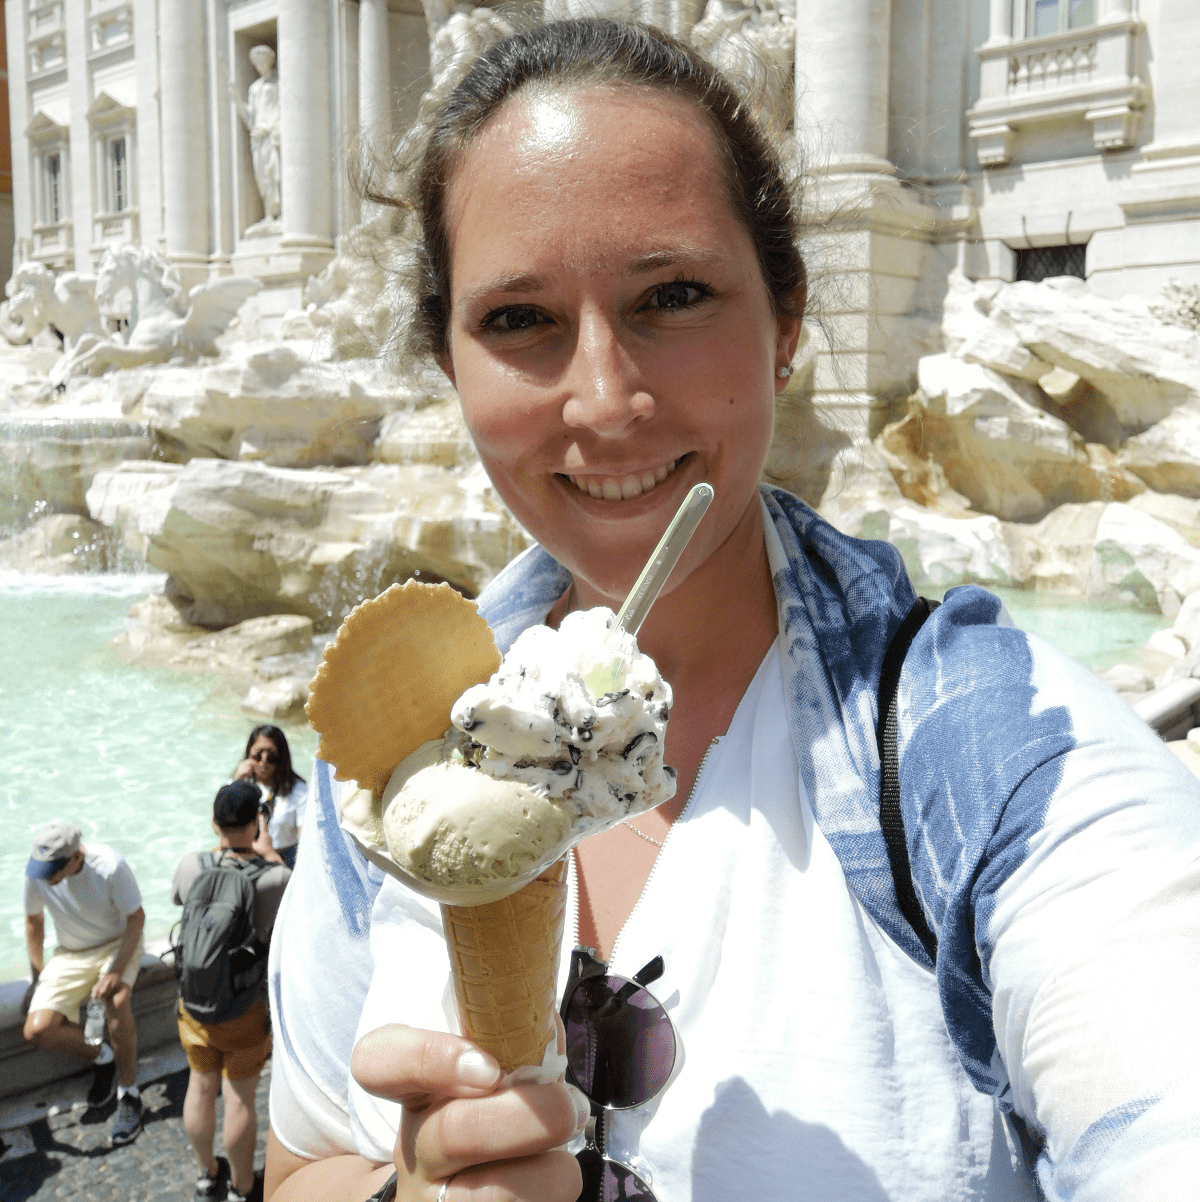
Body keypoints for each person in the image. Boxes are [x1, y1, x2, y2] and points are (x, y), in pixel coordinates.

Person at [263, 18, 1200, 1202]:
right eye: (518, 320)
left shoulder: (1006, 766)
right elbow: (300, 1159)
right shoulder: (384, 772)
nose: (604, 401)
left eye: (675, 294)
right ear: (451, 360)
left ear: (787, 322)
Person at [173, 780, 292, 1202]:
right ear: (258, 821)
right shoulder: (274, 878)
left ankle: (208, 1175)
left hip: (195, 1006)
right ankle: (243, 1187)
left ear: (214, 821)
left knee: (200, 1087)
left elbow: (179, 903)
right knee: (239, 1100)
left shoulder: (191, 866)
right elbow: (294, 913)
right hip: (243, 1009)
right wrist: (271, 852)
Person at [23, 819, 147, 1146]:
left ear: (76, 857)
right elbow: (33, 923)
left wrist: (115, 971)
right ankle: (102, 1056)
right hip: (70, 953)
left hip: (118, 943)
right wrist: (38, 979)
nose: (44, 877)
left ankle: (130, 1093)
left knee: (117, 1002)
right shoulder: (38, 873)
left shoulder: (110, 865)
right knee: (37, 1029)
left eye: (52, 868)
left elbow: (137, 919)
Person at [232, 725, 307, 869]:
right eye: (257, 755)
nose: (263, 761)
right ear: (249, 754)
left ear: (281, 757)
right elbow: (218, 826)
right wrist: (237, 784)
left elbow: (304, 837)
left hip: (284, 858)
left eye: (271, 756)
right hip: (245, 858)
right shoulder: (237, 784)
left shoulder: (299, 790)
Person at [232, 45, 282, 230]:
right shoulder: (254, 88)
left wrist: (271, 127)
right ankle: (269, 213)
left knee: (274, 171)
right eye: (257, 62)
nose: (260, 65)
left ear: (270, 60)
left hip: (271, 134)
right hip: (257, 137)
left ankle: (279, 212)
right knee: (262, 176)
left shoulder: (278, 82)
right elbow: (250, 118)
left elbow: (283, 108)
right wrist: (236, 99)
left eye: (263, 61)